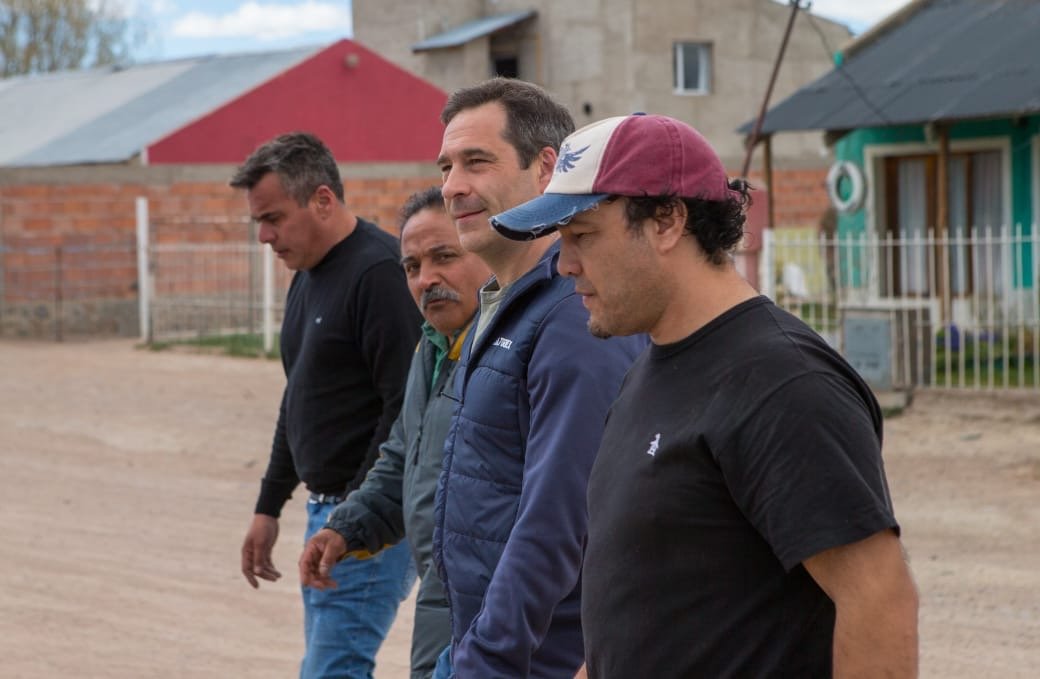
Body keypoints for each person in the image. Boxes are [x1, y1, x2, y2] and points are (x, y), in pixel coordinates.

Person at [490, 113, 920, 678]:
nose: (565, 265)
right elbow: (648, 607)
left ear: (667, 220)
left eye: (583, 236)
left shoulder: (780, 383)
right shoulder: (648, 369)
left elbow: (878, 600)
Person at [432, 79, 646, 678]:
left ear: (546, 168)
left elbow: (558, 522)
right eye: (446, 167)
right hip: (484, 641)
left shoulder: (573, 315)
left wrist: (487, 660)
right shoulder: (504, 303)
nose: (452, 186)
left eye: (477, 162)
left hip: (537, 658)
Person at [231, 132, 420, 679]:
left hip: (368, 520)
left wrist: (351, 519)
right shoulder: (308, 274)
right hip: (329, 513)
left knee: (331, 670)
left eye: (273, 218)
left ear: (322, 200)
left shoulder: (379, 274)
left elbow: (405, 411)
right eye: (258, 222)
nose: (264, 237)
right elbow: (300, 397)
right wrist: (269, 506)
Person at [298, 186, 491, 679]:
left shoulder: (518, 348)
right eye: (412, 267)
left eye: (444, 256)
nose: (427, 279)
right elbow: (405, 457)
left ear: (489, 250)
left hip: (497, 607)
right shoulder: (431, 347)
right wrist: (347, 526)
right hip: (442, 595)